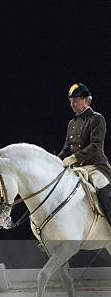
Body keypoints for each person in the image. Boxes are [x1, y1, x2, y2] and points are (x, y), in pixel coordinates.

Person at [58, 82, 111, 222]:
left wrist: (73, 158)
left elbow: (95, 147)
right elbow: (66, 149)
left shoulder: (97, 119)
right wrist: (55, 161)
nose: (72, 104)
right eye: (71, 101)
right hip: (77, 168)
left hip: (95, 167)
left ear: (87, 100)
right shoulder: (72, 123)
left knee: (102, 187)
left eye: (75, 101)